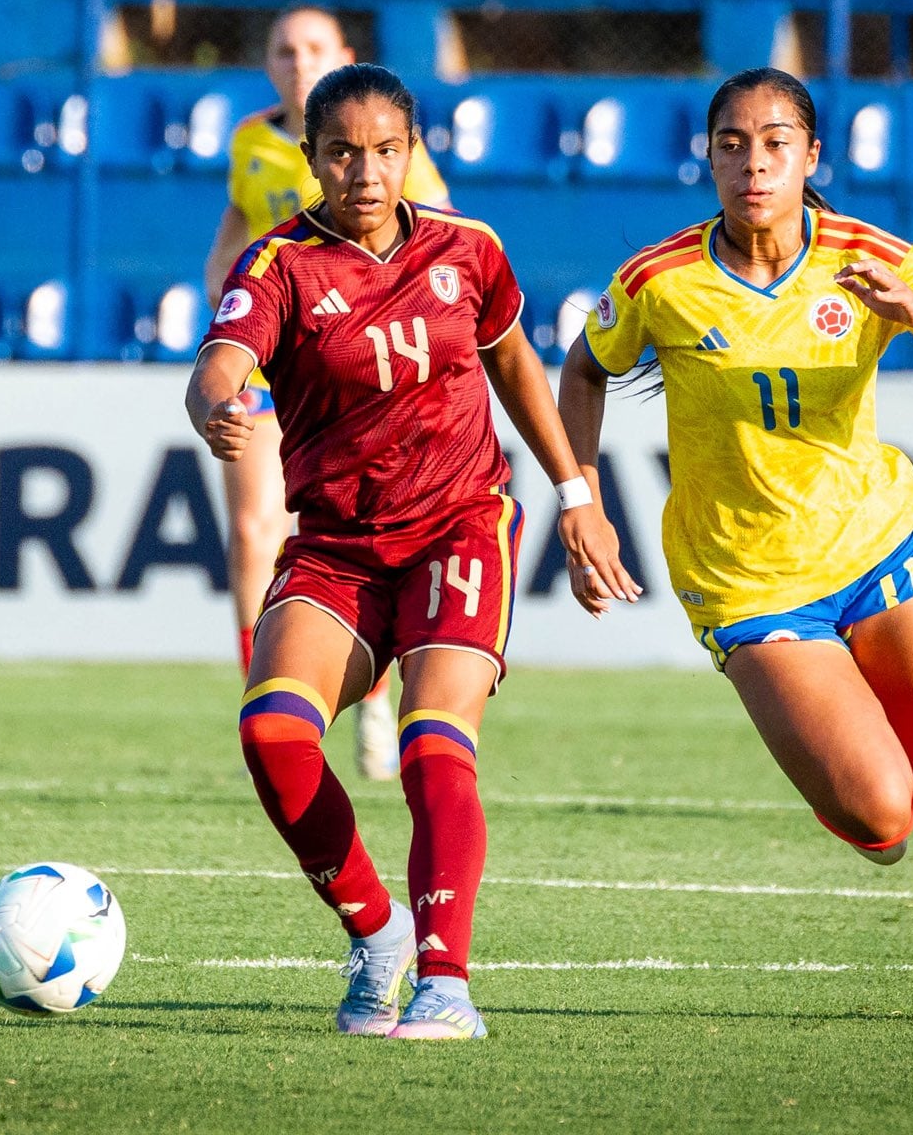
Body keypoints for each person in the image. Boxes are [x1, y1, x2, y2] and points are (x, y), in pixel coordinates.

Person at [556, 66, 913, 1028]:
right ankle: (846, 735)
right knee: (883, 820)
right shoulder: (660, 280)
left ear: (811, 157)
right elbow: (583, 367)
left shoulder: (867, 255)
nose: (755, 163)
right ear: (708, 157)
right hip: (747, 581)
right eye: (733, 144)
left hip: (877, 549)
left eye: (777, 143)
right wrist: (579, 497)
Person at [187, 63, 635, 1040]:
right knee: (270, 732)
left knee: (433, 740)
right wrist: (216, 403)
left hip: (458, 529)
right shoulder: (276, 266)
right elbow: (219, 361)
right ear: (307, 159)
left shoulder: (467, 251)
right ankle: (375, 931)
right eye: (341, 151)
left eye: (386, 149)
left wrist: (574, 494)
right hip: (339, 549)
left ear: (412, 154)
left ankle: (446, 985)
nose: (364, 171)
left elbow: (513, 359)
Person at [201, 7, 453, 780]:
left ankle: (372, 693)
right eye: (284, 49)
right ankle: (263, 700)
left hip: (351, 371)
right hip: (273, 365)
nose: (299, 60)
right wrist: (229, 335)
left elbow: (438, 229)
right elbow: (234, 239)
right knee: (252, 532)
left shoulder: (373, 143)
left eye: (315, 48)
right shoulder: (250, 142)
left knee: (356, 538)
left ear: (344, 56)